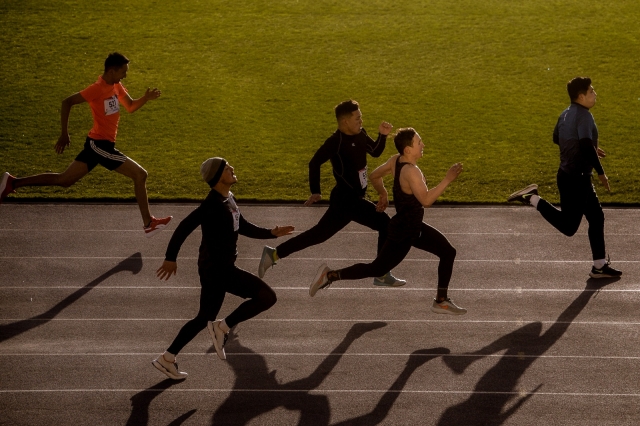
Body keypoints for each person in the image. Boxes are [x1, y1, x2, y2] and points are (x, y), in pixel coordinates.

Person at [152, 157, 294, 380]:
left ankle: (167, 358)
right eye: (227, 168)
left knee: (204, 317)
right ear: (218, 176)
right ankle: (222, 327)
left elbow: (242, 225)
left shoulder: (228, 198)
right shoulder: (212, 205)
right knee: (267, 297)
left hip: (217, 268)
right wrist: (170, 257)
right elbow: (184, 227)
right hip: (218, 270)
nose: (232, 169)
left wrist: (271, 233)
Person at [0, 52, 172, 237]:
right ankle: (149, 223)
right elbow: (67, 102)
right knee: (140, 174)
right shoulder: (96, 89)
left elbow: (130, 106)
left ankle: (13, 182)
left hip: (98, 145)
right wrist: (64, 133)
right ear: (112, 71)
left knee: (64, 180)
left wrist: (145, 98)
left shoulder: (116, 86)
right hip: (100, 145)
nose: (125, 75)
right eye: (123, 71)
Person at [309, 127, 467, 315]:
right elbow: (426, 200)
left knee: (448, 252)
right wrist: (447, 179)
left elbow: (375, 175)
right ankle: (329, 275)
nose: (423, 145)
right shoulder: (411, 172)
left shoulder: (396, 161)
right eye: (419, 142)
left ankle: (441, 301)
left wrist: (382, 194)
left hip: (412, 226)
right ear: (408, 149)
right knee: (376, 269)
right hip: (404, 232)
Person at [258, 100, 405, 287]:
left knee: (318, 235)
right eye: (357, 118)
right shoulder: (336, 142)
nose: (361, 121)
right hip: (346, 200)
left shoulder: (361, 134)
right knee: (385, 224)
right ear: (345, 121)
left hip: (352, 200)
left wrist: (382, 136)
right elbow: (314, 162)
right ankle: (381, 272)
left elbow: (375, 152)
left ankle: (274, 254)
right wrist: (315, 191)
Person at [508, 77, 622, 278]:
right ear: (581, 96)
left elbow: (557, 138)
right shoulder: (585, 116)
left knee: (596, 217)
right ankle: (532, 198)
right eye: (591, 91)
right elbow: (585, 144)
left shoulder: (565, 113)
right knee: (569, 227)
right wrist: (601, 172)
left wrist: (586, 147)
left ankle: (599, 266)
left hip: (570, 176)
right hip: (577, 180)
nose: (595, 94)